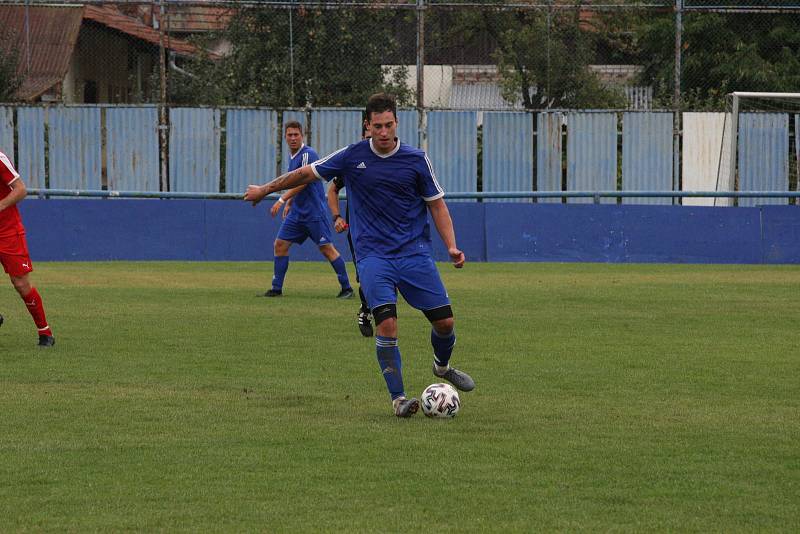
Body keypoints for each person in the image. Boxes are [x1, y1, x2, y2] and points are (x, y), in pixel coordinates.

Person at [245, 93, 474, 417]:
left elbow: (436, 204)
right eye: (377, 126)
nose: (383, 132)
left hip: (414, 253)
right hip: (373, 256)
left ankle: (441, 367)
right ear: (367, 126)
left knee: (446, 322)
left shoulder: (416, 159)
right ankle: (398, 399)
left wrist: (451, 245)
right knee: (388, 325)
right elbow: (306, 175)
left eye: (389, 125)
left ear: (397, 123)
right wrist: (266, 190)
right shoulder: (351, 156)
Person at [260, 121, 354, 299]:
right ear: (285, 137)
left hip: (313, 213)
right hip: (297, 213)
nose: (293, 138)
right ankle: (276, 288)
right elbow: (293, 181)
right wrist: (290, 204)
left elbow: (303, 181)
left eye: (296, 134)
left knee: (326, 248)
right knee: (280, 245)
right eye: (290, 135)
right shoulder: (293, 156)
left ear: (302, 136)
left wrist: (282, 199)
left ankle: (347, 288)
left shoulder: (307, 154)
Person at [0, 150, 55, 347]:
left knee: (20, 283)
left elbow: (21, 189)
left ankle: (45, 332)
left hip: (8, 232)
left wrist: (1, 205)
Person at [327, 122, 373, 337]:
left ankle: (373, 310)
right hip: (359, 231)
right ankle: (366, 311)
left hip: (391, 232)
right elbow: (333, 189)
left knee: (390, 279)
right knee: (367, 275)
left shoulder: (396, 163)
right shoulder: (354, 163)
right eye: (366, 137)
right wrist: (336, 216)